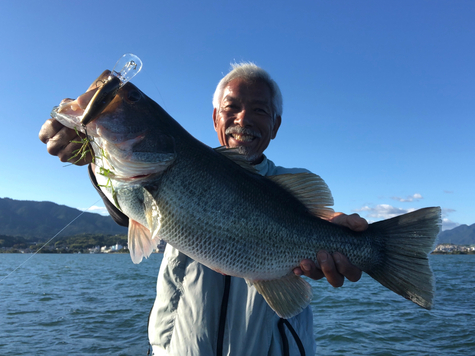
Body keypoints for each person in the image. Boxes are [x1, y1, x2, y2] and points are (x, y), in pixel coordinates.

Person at [40, 62, 368, 355]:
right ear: (214, 118)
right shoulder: (172, 167)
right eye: (232, 107)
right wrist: (89, 152)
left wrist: (339, 239)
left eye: (259, 110)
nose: (243, 118)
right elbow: (127, 211)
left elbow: (320, 221)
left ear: (276, 125)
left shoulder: (288, 188)